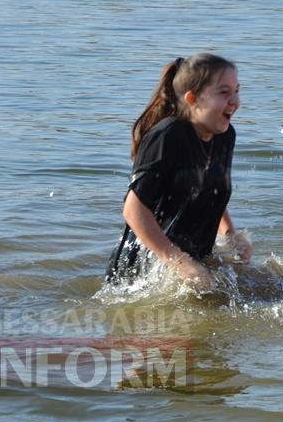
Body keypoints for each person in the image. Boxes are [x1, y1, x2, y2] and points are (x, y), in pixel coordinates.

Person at [105, 53, 250, 291]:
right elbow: (133, 209)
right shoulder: (168, 135)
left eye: (237, 90)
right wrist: (179, 262)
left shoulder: (224, 136)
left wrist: (231, 234)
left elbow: (208, 187)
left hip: (196, 265)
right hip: (140, 276)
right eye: (224, 93)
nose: (235, 101)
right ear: (192, 99)